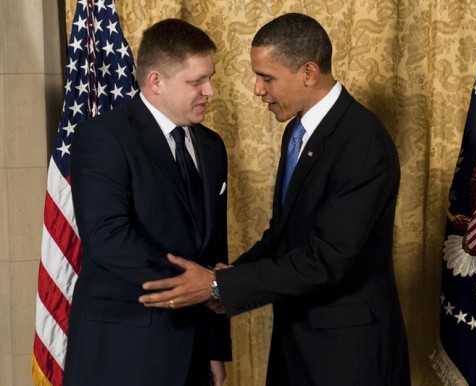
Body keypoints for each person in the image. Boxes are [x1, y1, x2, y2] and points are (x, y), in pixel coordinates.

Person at [139, 13, 410, 385]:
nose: (257, 89)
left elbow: (326, 259)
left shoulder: (361, 142)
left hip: (347, 356)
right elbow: (284, 234)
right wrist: (229, 276)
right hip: (298, 345)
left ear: (309, 73)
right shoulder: (299, 131)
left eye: (267, 77)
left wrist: (220, 286)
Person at [63, 19, 231, 386]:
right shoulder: (103, 137)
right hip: (124, 350)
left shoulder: (212, 146)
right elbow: (108, 236)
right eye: (196, 81)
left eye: (210, 78)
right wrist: (199, 285)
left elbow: (215, 245)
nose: (210, 91)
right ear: (156, 82)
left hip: (195, 350)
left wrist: (216, 345)